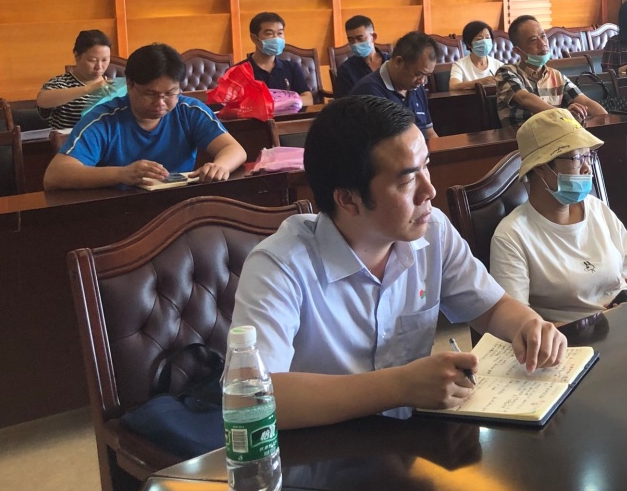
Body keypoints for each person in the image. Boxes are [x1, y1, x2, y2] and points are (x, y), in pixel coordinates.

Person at [230, 96, 566, 429]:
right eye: (407, 181)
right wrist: (400, 386)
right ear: (348, 199)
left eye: (426, 166)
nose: (429, 190)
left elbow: (491, 307)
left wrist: (528, 326)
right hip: (322, 450)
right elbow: (251, 400)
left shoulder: (433, 231)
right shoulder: (280, 266)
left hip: (413, 442)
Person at [491, 109, 627, 322]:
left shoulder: (597, 209)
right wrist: (593, 323)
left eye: (588, 156)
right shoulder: (512, 236)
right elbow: (517, 323)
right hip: (573, 338)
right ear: (540, 167)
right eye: (577, 158)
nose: (587, 169)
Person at [43, 43, 246, 190]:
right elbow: (55, 175)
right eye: (150, 94)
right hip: (121, 208)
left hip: (178, 205)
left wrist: (220, 166)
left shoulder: (188, 110)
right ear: (130, 84)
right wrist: (121, 174)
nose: (160, 103)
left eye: (170, 93)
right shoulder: (104, 119)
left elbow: (234, 149)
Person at [496, 15, 607, 128]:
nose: (542, 43)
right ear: (518, 51)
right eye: (533, 40)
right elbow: (525, 98)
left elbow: (585, 102)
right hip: (522, 136)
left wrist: (607, 120)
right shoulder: (506, 72)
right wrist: (564, 114)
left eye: (543, 36)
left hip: (557, 134)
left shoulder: (556, 75)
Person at [349, 32, 439, 139]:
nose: (422, 81)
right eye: (418, 74)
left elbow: (430, 133)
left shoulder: (416, 87)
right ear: (398, 62)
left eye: (427, 75)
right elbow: (380, 145)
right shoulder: (369, 92)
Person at [36, 29, 116, 131]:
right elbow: (42, 100)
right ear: (77, 56)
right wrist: (90, 88)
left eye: (105, 60)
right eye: (92, 60)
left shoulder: (114, 85)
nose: (99, 67)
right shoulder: (60, 83)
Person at [240, 11, 313, 107]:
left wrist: (282, 103)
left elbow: (308, 99)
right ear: (254, 38)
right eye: (269, 34)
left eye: (280, 33)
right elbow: (232, 106)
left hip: (289, 116)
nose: (276, 38)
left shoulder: (292, 68)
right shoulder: (239, 71)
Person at [334, 14, 384, 97]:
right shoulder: (346, 70)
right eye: (351, 40)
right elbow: (344, 101)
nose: (355, 44)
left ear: (373, 37)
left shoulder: (391, 62)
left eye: (360, 38)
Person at [449, 20, 504, 92]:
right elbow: (453, 86)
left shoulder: (499, 65)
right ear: (469, 44)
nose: (484, 42)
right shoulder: (460, 65)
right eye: (479, 39)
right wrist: (480, 82)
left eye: (487, 38)